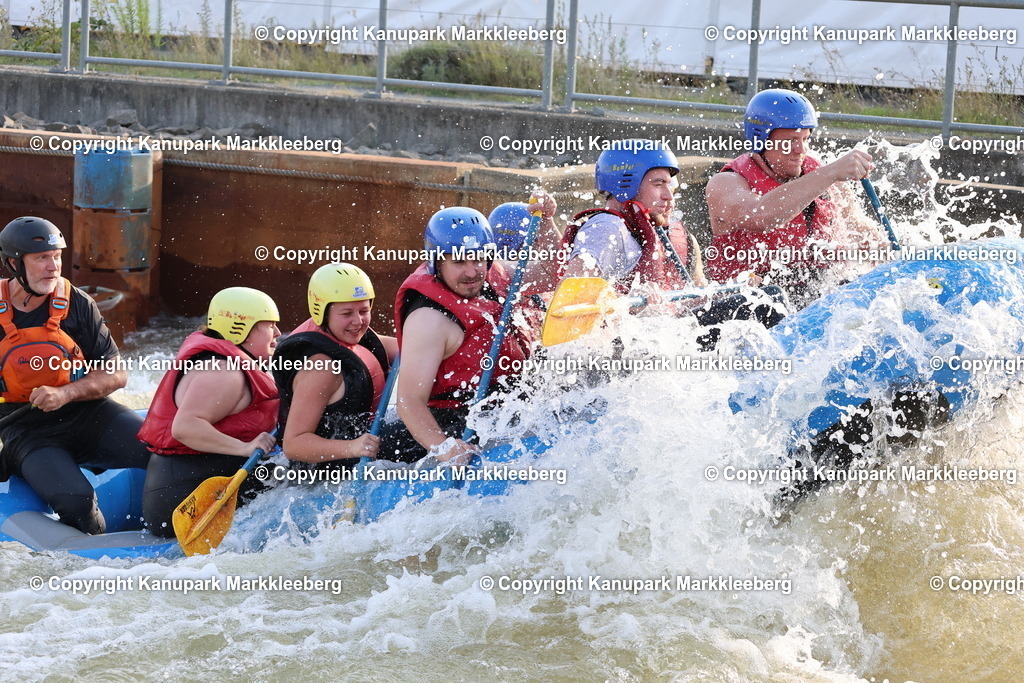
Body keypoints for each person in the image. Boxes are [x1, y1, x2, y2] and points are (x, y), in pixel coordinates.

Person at [0, 216, 150, 535]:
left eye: (56, 257)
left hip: (89, 415)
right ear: (14, 263)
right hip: (27, 432)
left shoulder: (77, 303)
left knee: (161, 450)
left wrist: (65, 393)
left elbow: (116, 372)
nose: (53, 267)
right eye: (41, 258)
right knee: (77, 502)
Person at [558, 140, 787, 348]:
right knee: (767, 301)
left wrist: (732, 289)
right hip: (625, 350)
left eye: (671, 186)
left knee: (764, 298)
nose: (669, 196)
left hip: (667, 336)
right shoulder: (607, 228)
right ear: (624, 184)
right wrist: (627, 307)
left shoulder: (676, 234)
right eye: (658, 184)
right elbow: (571, 304)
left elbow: (695, 297)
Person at [704, 88, 891, 301]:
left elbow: (859, 228)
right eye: (791, 141)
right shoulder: (726, 183)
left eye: (805, 139)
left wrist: (886, 255)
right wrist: (830, 172)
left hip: (819, 291)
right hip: (752, 301)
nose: (800, 149)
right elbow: (760, 216)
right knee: (772, 299)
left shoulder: (823, 175)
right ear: (760, 140)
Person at [393, 207, 532, 463]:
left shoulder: (492, 275)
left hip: (506, 401)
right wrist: (443, 447)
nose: (471, 271)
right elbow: (409, 401)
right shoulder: (428, 320)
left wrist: (544, 224)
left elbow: (549, 277)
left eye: (478, 259)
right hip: (457, 418)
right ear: (437, 262)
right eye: (458, 262)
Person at [139, 287, 280, 538]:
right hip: (183, 504)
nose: (278, 333)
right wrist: (244, 447)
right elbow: (185, 427)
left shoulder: (230, 363)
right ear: (243, 328)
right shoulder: (223, 372)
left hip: (194, 486)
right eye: (270, 325)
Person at [272, 263, 397, 468]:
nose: (358, 321)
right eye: (347, 313)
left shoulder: (347, 334)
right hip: (327, 467)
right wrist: (354, 447)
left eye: (364, 311)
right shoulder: (321, 368)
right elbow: (294, 445)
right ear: (322, 312)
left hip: (362, 441)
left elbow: (406, 349)